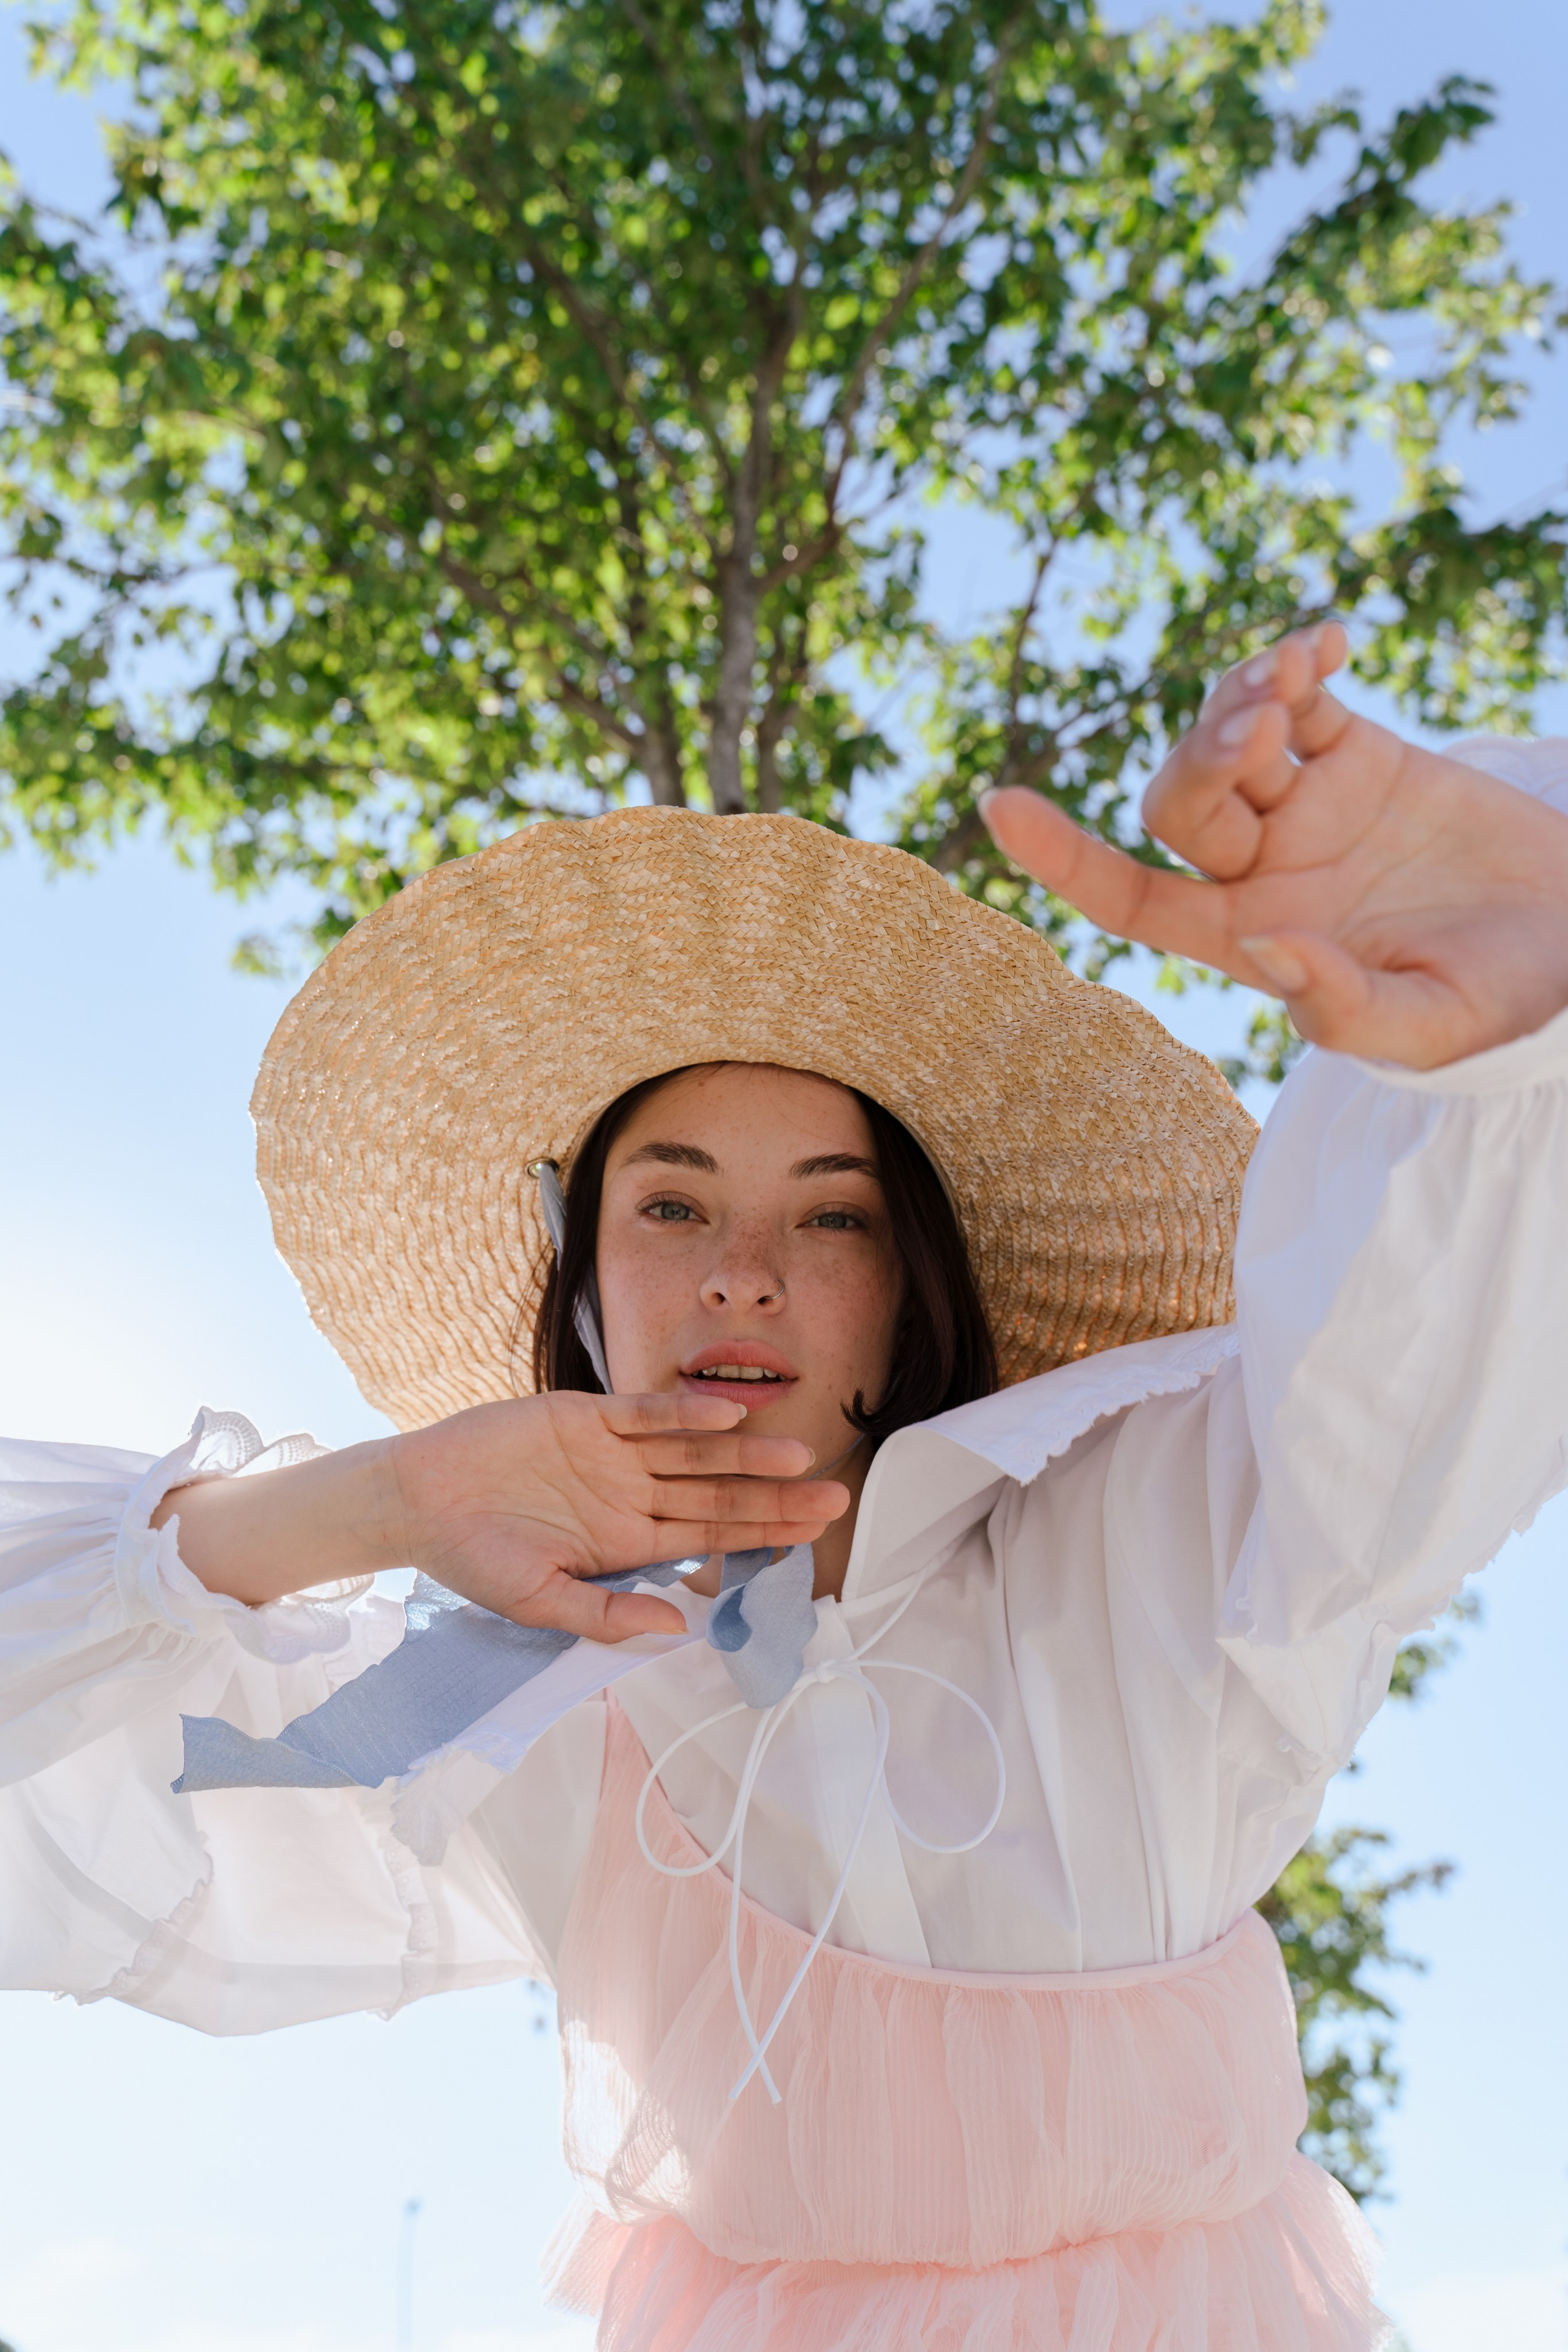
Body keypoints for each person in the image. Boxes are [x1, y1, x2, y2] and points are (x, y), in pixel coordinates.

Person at [3, 623, 1567, 2351]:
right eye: (670, 1206)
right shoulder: (514, 1690)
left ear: (909, 1286)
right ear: (581, 1280)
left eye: (829, 1215)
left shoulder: (1149, 1531)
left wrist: (1497, 1028)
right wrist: (375, 1505)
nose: (743, 1274)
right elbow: (83, 1785)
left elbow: (1402, 1407)